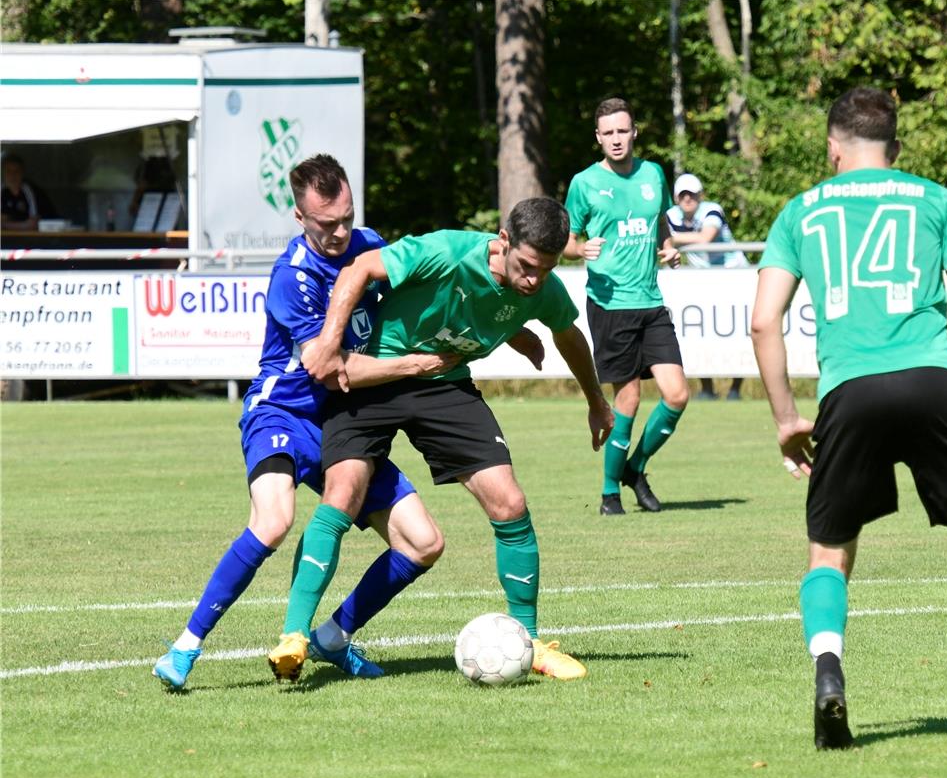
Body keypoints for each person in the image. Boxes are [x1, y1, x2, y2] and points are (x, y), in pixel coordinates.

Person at [750, 87, 947, 749]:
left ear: (833, 149)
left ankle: (829, 673)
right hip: (935, 380)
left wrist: (787, 418)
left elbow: (763, 321)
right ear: (895, 150)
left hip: (850, 391)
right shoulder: (934, 199)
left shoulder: (799, 212)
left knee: (830, 551)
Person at [152, 154, 519, 689]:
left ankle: (333, 637)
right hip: (284, 413)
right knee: (274, 521)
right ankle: (186, 647)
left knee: (423, 542)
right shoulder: (292, 279)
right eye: (328, 224)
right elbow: (331, 370)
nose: (341, 232)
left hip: (345, 420)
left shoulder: (368, 244)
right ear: (300, 218)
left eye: (347, 217)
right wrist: (414, 365)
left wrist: (503, 319)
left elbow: (428, 286)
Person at [270, 196, 613, 683]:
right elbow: (360, 270)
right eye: (527, 266)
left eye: (547, 269)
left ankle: (530, 640)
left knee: (509, 503)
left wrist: (597, 402)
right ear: (503, 240)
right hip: (378, 375)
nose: (535, 280)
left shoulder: (541, 288)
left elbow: (569, 333)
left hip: (444, 386)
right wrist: (329, 342)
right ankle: (294, 636)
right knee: (342, 493)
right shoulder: (447, 250)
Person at [562, 97, 687, 516]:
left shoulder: (653, 173)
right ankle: (608, 494)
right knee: (628, 400)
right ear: (597, 138)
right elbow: (566, 238)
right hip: (610, 304)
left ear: (635, 132)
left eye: (622, 131)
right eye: (608, 133)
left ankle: (635, 468)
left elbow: (660, 222)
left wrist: (667, 249)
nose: (616, 139)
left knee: (677, 395)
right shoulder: (584, 183)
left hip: (651, 302)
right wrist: (581, 248)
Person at [665, 172, 749, 401]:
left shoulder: (712, 209)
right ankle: (708, 388)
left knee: (739, 332)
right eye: (683, 195)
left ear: (700, 195)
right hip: (702, 281)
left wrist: (673, 238)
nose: (688, 199)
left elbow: (706, 237)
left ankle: (735, 389)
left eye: (692, 194)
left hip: (733, 275)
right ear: (676, 198)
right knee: (699, 334)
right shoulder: (671, 216)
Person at [2, 154, 54, 231]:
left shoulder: (30, 191)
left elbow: (33, 224)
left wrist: (5, 224)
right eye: (8, 171)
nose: (13, 175)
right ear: (3, 173)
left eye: (16, 171)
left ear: (22, 173)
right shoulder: (2, 190)